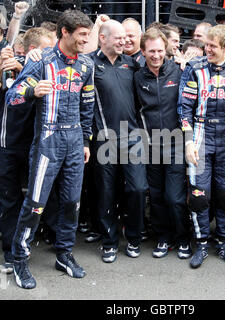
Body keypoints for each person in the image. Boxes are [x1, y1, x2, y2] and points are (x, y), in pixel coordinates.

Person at [6, 9, 95, 289]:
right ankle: (20, 257)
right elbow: (13, 97)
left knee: (71, 202)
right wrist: (32, 92)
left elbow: (87, 105)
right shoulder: (42, 60)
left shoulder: (86, 66)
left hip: (74, 140)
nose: (86, 40)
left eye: (88, 35)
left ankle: (64, 253)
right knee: (35, 203)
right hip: (47, 140)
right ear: (65, 32)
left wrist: (85, 141)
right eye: (82, 35)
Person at [178, 25, 225, 268]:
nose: (207, 49)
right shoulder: (195, 69)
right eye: (206, 44)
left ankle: (224, 243)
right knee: (199, 193)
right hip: (200, 132)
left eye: (213, 46)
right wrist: (188, 140)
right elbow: (184, 107)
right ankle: (202, 243)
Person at [88, 19, 147, 263]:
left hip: (132, 139)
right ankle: (109, 242)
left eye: (126, 37)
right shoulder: (89, 64)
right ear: (103, 38)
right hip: (104, 140)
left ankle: (133, 237)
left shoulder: (131, 64)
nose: (124, 41)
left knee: (137, 188)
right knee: (106, 194)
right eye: (118, 37)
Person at [0, 26, 55, 274]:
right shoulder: (11, 65)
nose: (52, 54)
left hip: (34, 143)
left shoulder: (43, 65)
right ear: (33, 50)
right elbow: (13, 94)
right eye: (46, 49)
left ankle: (40, 241)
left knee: (38, 197)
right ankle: (11, 252)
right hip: (7, 145)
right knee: (10, 199)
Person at [134, 27, 191, 259]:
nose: (156, 55)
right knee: (155, 196)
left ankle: (182, 238)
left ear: (166, 49)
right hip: (151, 145)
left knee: (175, 197)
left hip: (176, 143)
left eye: (160, 50)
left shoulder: (180, 70)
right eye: (151, 51)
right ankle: (163, 238)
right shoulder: (137, 77)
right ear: (143, 52)